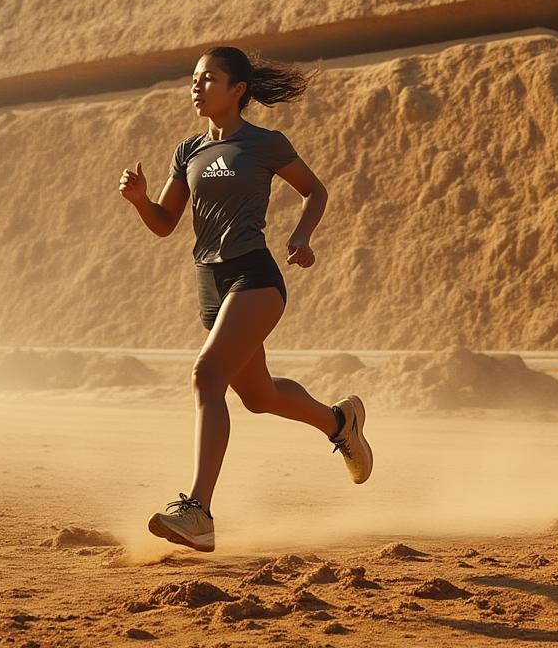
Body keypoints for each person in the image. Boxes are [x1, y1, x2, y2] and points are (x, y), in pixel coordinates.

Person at [119, 43, 373, 551]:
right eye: (194, 78)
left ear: (238, 90)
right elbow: (166, 225)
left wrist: (302, 237)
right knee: (257, 397)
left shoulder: (265, 143)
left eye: (209, 79)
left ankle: (198, 511)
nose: (197, 86)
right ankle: (340, 422)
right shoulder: (187, 151)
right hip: (208, 284)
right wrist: (141, 201)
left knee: (205, 375)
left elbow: (314, 191)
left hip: (254, 278)